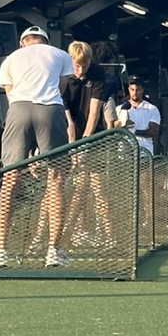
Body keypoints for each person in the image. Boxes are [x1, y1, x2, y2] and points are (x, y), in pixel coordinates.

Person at [0, 25, 74, 269]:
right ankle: (54, 251)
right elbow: (61, 89)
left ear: (22, 42)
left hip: (19, 109)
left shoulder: (10, 59)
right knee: (56, 180)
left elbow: (10, 95)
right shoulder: (60, 55)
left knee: (10, 179)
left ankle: (0, 251)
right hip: (50, 110)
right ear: (45, 41)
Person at [62, 41, 114, 248]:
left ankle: (109, 237)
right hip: (66, 135)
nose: (81, 70)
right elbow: (68, 120)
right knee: (67, 189)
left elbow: (94, 114)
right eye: (77, 65)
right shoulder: (62, 74)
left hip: (91, 139)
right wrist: (72, 146)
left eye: (85, 65)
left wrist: (84, 143)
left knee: (98, 188)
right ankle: (57, 236)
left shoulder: (98, 74)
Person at [117, 76, 161, 155]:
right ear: (128, 89)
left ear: (142, 90)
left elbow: (154, 132)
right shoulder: (119, 109)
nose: (135, 93)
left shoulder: (151, 109)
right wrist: (124, 127)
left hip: (144, 152)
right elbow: (113, 130)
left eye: (138, 90)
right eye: (132, 90)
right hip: (124, 153)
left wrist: (134, 131)